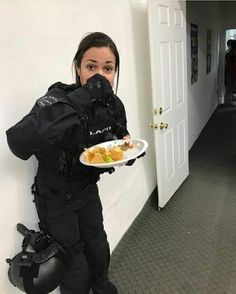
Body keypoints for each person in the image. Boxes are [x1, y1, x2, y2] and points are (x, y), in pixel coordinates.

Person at [6, 32, 131, 294]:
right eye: (91, 66)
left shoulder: (113, 105)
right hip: (56, 200)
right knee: (73, 264)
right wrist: (81, 98)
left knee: (98, 247)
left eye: (108, 68)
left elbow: (118, 137)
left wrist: (126, 151)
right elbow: (19, 142)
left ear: (115, 71)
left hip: (87, 191)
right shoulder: (58, 99)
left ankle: (103, 288)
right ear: (77, 67)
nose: (99, 76)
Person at [225, 39, 236, 104]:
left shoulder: (230, 53)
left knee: (230, 88)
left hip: (230, 73)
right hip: (231, 73)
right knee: (229, 88)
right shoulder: (232, 54)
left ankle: (228, 101)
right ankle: (227, 103)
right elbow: (232, 65)